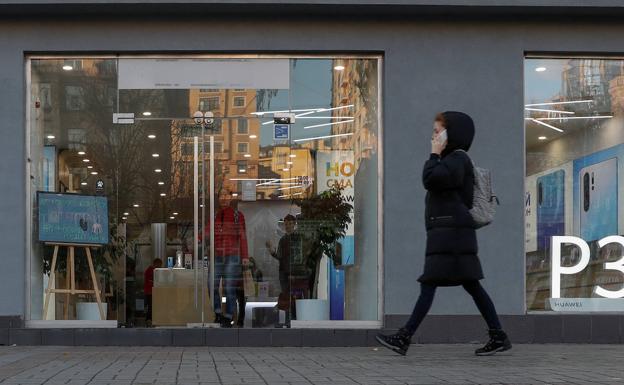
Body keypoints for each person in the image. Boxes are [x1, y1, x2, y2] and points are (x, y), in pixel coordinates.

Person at [376, 111, 511, 356]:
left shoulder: (457, 159)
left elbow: (430, 178)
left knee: (431, 283)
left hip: (452, 235)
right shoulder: (454, 160)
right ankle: (498, 335)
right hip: (451, 234)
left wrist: (434, 154)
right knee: (470, 286)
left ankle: (404, 337)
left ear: (453, 134)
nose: (433, 136)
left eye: (437, 131)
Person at [212, 197, 249, 328]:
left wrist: (245, 256)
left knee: (229, 288)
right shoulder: (214, 214)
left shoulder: (237, 215)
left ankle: (228, 316)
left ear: (230, 198)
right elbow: (208, 231)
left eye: (225, 195)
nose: (223, 198)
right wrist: (199, 238)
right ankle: (217, 312)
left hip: (232, 255)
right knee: (212, 284)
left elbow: (242, 236)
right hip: (217, 255)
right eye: (220, 195)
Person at [266, 214, 308, 322]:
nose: (288, 226)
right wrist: (271, 251)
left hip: (294, 272)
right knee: (286, 295)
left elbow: (301, 256)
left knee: (294, 296)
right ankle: (288, 319)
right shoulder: (283, 239)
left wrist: (296, 272)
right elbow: (279, 256)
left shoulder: (299, 238)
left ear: (294, 224)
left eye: (290, 224)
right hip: (284, 272)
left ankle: (294, 319)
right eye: (286, 224)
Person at [143, 258, 162, 327]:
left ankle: (150, 320)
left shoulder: (150, 270)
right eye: (159, 265)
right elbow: (151, 282)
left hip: (150, 292)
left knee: (151, 307)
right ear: (156, 264)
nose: (160, 267)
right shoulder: (151, 271)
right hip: (150, 292)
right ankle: (149, 320)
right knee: (151, 307)